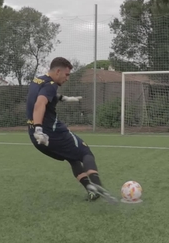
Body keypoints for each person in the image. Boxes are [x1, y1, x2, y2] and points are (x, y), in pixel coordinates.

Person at [26, 57, 117, 203]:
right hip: (50, 133)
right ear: (57, 71)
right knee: (85, 152)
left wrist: (64, 98)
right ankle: (97, 186)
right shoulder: (51, 85)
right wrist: (39, 129)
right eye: (67, 75)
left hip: (34, 137)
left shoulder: (38, 80)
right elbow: (40, 104)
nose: (67, 78)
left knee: (72, 158)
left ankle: (91, 190)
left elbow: (42, 95)